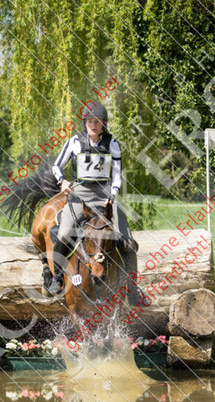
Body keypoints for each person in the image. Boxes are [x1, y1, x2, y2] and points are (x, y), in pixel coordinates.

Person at [47, 101, 135, 295]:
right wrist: (62, 182)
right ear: (84, 123)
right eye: (89, 121)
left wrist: (112, 195)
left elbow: (117, 176)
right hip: (80, 196)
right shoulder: (74, 142)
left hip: (106, 196)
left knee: (128, 242)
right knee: (63, 235)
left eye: (97, 121)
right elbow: (56, 166)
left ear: (104, 123)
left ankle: (132, 287)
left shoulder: (112, 144)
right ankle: (56, 278)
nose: (93, 125)